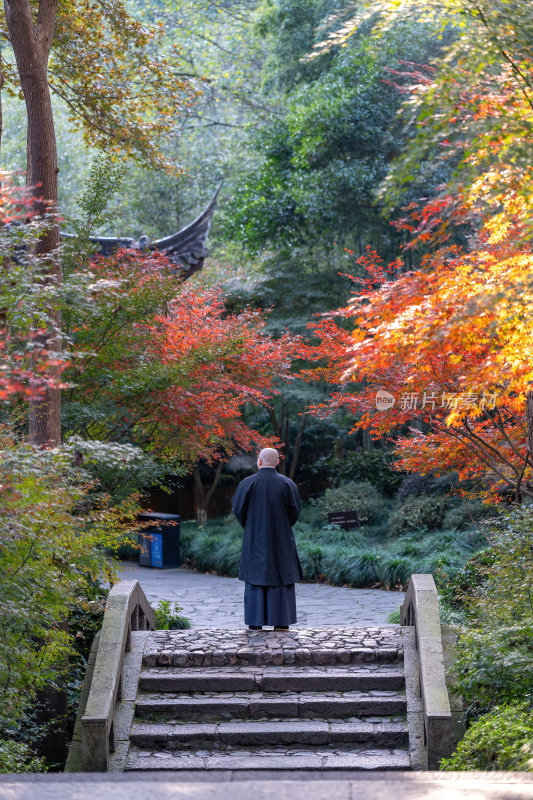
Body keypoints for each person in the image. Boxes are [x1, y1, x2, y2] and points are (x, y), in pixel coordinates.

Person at [232, 447, 303, 631]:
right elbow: (294, 512)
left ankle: (255, 623)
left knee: (256, 577)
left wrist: (252, 527)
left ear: (259, 461)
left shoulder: (247, 484)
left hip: (254, 538)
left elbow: (238, 510)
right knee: (281, 577)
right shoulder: (288, 484)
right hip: (281, 541)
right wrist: (280, 525)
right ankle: (281, 622)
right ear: (278, 462)